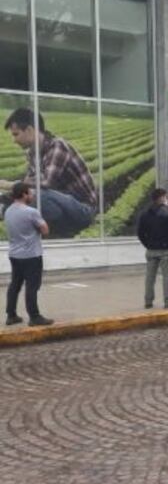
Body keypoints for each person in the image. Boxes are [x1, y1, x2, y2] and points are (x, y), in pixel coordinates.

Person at [1, 108, 96, 237]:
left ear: (29, 130)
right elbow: (28, 186)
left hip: (82, 209)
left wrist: (12, 185)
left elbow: (46, 183)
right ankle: (5, 210)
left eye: (16, 134)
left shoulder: (57, 146)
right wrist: (7, 195)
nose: (14, 140)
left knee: (39, 195)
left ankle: (57, 229)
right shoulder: (32, 153)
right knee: (27, 195)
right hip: (60, 204)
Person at [5, 182, 53, 326]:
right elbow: (45, 230)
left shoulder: (8, 211)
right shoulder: (31, 212)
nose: (32, 195)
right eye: (30, 193)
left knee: (15, 285)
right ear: (24, 194)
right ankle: (34, 317)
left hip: (15, 254)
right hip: (31, 256)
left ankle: (11, 315)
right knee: (32, 286)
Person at [137, 188, 168, 310]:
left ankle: (148, 301)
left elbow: (140, 233)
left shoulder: (145, 213)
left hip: (151, 249)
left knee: (150, 277)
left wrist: (148, 244)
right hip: (166, 249)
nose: (167, 199)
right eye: (165, 196)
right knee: (167, 276)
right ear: (161, 198)